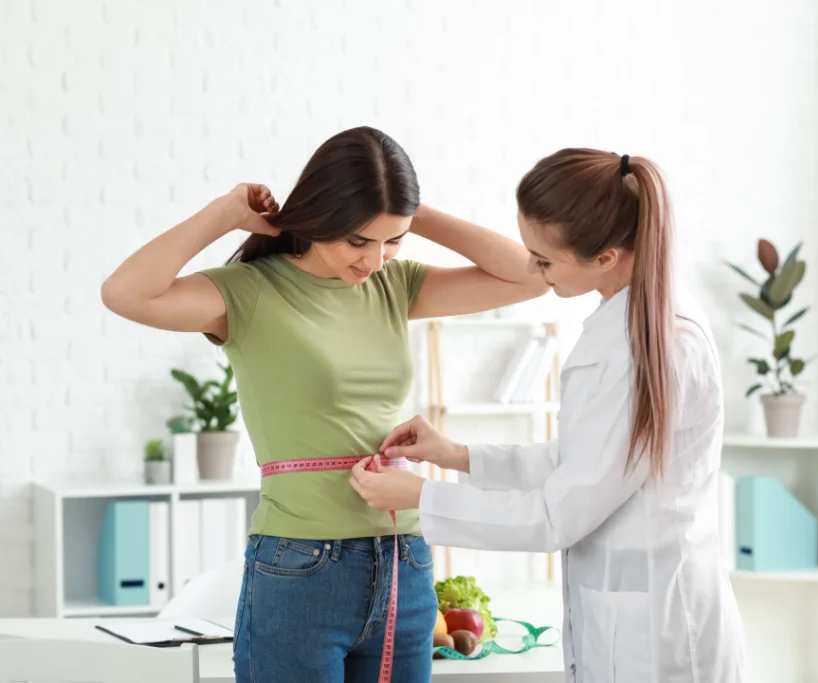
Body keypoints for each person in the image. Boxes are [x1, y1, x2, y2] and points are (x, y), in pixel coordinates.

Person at [100, 126, 549, 683]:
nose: (375, 260)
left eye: (394, 241)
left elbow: (533, 277)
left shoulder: (394, 285)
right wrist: (223, 214)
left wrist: (411, 212)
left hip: (404, 561)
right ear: (319, 218)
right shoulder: (247, 292)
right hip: (300, 567)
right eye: (358, 241)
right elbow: (125, 293)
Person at [349, 149, 746, 682]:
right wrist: (456, 455)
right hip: (625, 616)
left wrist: (421, 499)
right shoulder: (623, 320)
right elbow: (581, 462)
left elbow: (557, 516)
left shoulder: (658, 343)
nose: (533, 271)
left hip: (660, 636)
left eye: (544, 260)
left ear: (605, 256)